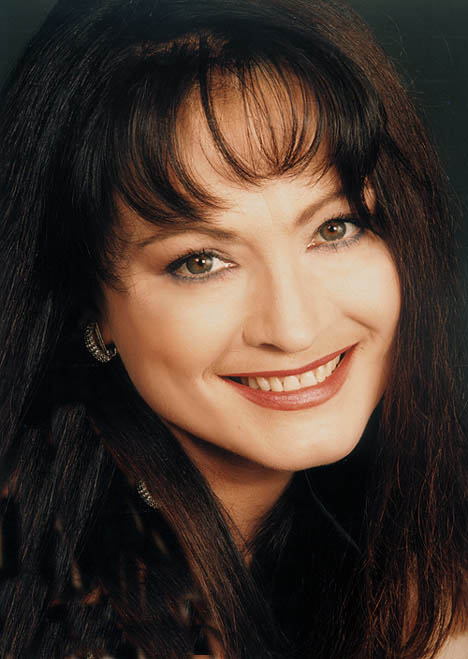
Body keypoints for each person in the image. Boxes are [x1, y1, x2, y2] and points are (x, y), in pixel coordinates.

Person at [0, 0, 467, 656]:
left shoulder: (382, 547)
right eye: (201, 261)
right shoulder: (74, 613)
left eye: (336, 228)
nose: (294, 327)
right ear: (88, 304)